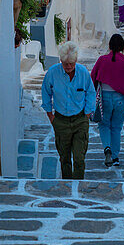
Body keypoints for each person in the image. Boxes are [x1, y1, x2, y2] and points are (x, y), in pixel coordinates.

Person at [41, 41, 96, 180]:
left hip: (80, 120)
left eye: (71, 63)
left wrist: (88, 113)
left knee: (79, 157)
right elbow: (46, 92)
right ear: (61, 60)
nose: (69, 67)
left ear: (76, 60)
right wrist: (51, 116)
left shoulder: (83, 73)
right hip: (61, 120)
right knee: (64, 158)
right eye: (66, 64)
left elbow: (90, 92)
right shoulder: (52, 73)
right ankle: (67, 186)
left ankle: (78, 185)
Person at [90, 33, 124, 167]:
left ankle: (107, 148)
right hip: (120, 99)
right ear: (122, 47)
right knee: (116, 128)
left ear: (109, 46)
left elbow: (93, 77)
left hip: (105, 98)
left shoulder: (102, 60)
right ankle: (115, 157)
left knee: (104, 125)